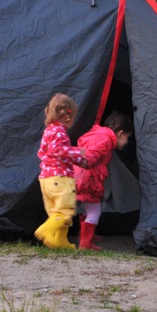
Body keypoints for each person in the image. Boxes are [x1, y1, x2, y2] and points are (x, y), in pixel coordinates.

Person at [74, 111, 133, 250]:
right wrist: (87, 161)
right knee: (95, 211)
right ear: (120, 133)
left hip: (80, 177)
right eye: (127, 137)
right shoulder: (105, 140)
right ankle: (85, 243)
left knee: (87, 209)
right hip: (89, 179)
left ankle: (85, 235)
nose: (127, 142)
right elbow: (90, 157)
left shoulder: (96, 133)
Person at [35, 93, 88, 249]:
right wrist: (78, 152)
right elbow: (59, 151)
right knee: (65, 212)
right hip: (60, 178)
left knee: (57, 214)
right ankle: (45, 230)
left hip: (47, 179)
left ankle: (60, 242)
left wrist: (80, 161)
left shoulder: (49, 131)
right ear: (67, 116)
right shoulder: (58, 131)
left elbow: (58, 154)